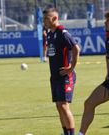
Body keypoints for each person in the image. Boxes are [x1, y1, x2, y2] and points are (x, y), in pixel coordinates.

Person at [43, 7, 80, 135]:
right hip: (55, 76)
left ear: (54, 18)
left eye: (46, 19)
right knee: (59, 106)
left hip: (65, 77)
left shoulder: (62, 32)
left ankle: (71, 133)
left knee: (64, 105)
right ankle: (65, 132)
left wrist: (71, 67)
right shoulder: (50, 33)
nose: (44, 22)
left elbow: (76, 48)